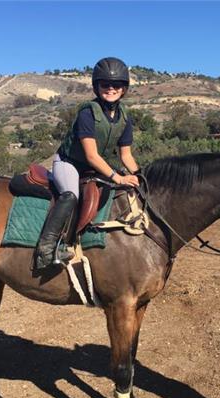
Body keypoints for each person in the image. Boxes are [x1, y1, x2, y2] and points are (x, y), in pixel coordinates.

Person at [35, 57, 141, 269]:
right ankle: (46, 249)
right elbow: (91, 155)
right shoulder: (87, 112)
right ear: (96, 86)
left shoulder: (124, 117)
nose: (111, 89)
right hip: (70, 163)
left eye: (117, 85)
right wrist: (117, 177)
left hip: (96, 168)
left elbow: (126, 156)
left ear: (124, 88)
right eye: (105, 84)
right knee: (70, 195)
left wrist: (141, 176)